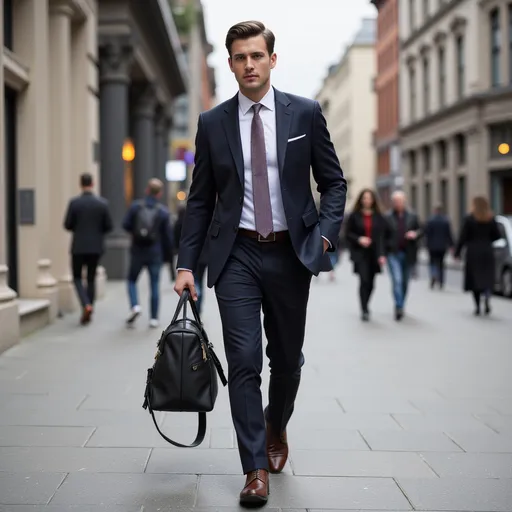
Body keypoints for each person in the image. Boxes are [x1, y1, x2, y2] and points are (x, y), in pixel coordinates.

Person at [174, 20, 346, 506]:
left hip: (293, 253)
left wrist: (326, 238)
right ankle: (254, 467)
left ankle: (276, 423)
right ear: (230, 63)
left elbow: (334, 183)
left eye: (256, 55)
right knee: (244, 360)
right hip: (236, 255)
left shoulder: (305, 114)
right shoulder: (212, 123)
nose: (248, 64)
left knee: (286, 361)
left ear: (272, 59)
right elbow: (200, 201)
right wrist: (188, 263)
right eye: (239, 57)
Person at [122, 178, 173, 328]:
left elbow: (125, 225)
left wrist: (136, 233)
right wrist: (169, 257)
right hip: (154, 252)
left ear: (147, 190)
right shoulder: (163, 212)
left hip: (137, 250)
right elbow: (167, 237)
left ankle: (135, 306)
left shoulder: (136, 207)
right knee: (155, 284)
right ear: (159, 194)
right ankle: (154, 318)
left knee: (131, 280)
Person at [63, 172, 113, 325]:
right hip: (95, 247)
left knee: (77, 277)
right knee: (91, 278)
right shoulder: (102, 203)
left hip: (78, 247)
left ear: (81, 184)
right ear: (93, 183)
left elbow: (67, 224)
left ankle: (86, 304)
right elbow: (109, 226)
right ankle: (90, 306)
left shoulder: (74, 203)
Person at [454, 196, 501, 315]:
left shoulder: (469, 219)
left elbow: (463, 237)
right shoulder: (490, 219)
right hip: (487, 251)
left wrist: (457, 252)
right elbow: (497, 236)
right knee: (487, 277)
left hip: (473, 252)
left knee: (475, 280)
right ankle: (487, 296)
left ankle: (477, 306)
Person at [345, 188, 387, 321]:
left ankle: (367, 303)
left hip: (374, 253)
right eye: (364, 198)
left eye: (369, 198)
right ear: (361, 200)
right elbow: (348, 234)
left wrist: (382, 254)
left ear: (373, 200)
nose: (367, 200)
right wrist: (359, 239)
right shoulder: (354, 215)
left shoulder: (379, 217)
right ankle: (364, 309)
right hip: (360, 253)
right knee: (364, 280)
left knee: (372, 283)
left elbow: (382, 237)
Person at [384, 190, 422, 321]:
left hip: (408, 253)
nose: (397, 203)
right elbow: (382, 236)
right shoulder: (387, 217)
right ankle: (398, 306)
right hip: (393, 253)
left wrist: (415, 234)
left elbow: (421, 230)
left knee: (405, 282)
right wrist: (382, 254)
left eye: (400, 201)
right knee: (397, 281)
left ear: (404, 202)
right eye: (395, 201)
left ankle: (401, 302)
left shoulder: (412, 216)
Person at [424, 204, 454, 289]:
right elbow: (449, 235)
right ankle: (441, 281)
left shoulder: (430, 220)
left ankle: (433, 274)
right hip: (442, 246)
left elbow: (426, 233)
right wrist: (452, 245)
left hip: (432, 246)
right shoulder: (445, 221)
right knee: (441, 263)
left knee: (432, 262)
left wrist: (426, 243)